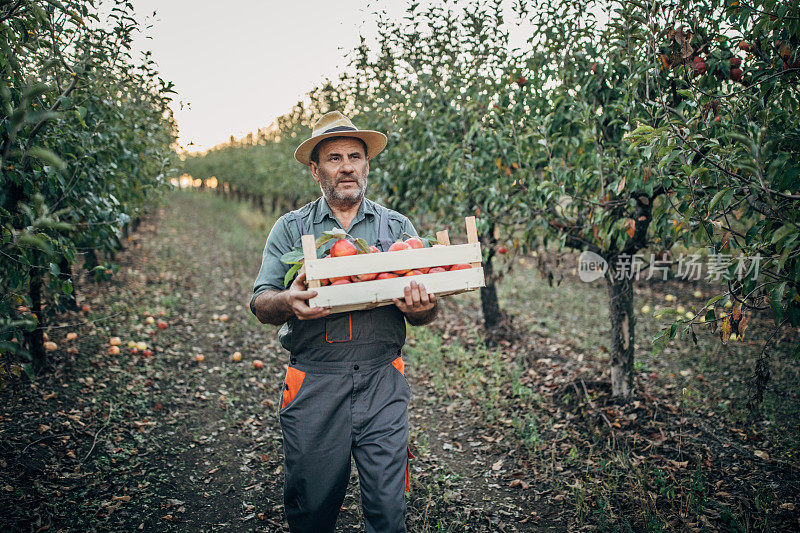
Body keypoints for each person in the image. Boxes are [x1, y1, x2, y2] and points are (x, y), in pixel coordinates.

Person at [249, 110, 438, 533]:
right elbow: (261, 302)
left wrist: (420, 307)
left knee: (389, 514)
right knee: (311, 511)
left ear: (366, 164)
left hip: (382, 380)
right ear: (316, 170)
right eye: (334, 158)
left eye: (355, 155)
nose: (347, 165)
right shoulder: (291, 229)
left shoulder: (397, 228)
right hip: (315, 382)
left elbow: (428, 313)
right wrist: (289, 301)